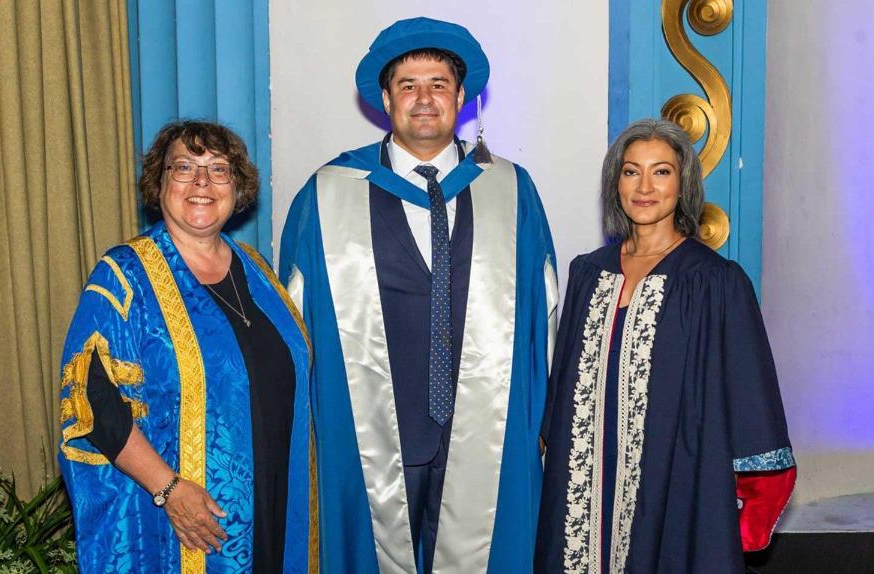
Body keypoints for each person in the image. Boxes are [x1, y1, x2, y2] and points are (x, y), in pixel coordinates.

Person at [279, 16, 557, 573]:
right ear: (386, 98)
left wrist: (541, 426)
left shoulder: (512, 189)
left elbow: (544, 320)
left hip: (485, 433)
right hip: (367, 433)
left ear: (461, 97)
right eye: (408, 85)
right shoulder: (328, 193)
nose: (424, 98)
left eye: (438, 84)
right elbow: (292, 329)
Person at [535, 119, 796, 573]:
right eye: (631, 171)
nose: (645, 186)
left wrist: (757, 497)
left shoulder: (715, 282)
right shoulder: (586, 274)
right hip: (585, 483)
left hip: (675, 477)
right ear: (615, 182)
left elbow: (751, 391)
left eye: (661, 172)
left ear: (683, 185)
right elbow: (561, 393)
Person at [58, 121, 314, 573]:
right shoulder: (124, 275)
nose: (201, 183)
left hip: (275, 504)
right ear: (159, 184)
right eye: (183, 168)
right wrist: (168, 489)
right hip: (182, 518)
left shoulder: (258, 270)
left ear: (238, 189)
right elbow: (90, 399)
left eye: (218, 169)